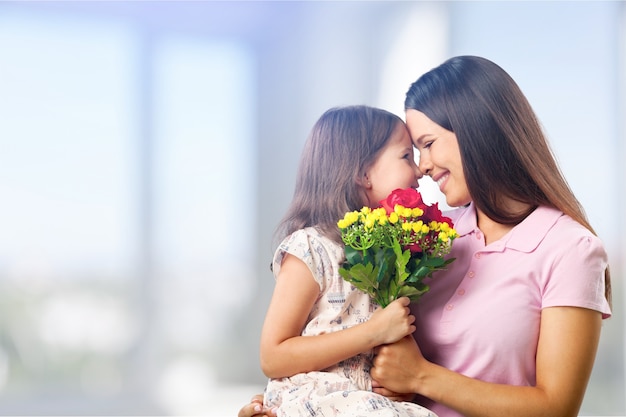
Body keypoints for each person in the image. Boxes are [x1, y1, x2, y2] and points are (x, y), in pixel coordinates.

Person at [239, 55, 612, 417]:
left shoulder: (571, 250)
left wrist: (422, 377)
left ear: (476, 130)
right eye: (413, 152)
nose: (423, 166)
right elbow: (345, 341)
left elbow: (557, 408)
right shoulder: (423, 235)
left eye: (428, 144)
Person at [256, 105, 438, 417]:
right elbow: (273, 356)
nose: (420, 170)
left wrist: (402, 386)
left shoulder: (391, 255)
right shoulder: (311, 248)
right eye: (406, 156)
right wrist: (374, 332)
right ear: (363, 174)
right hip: (318, 402)